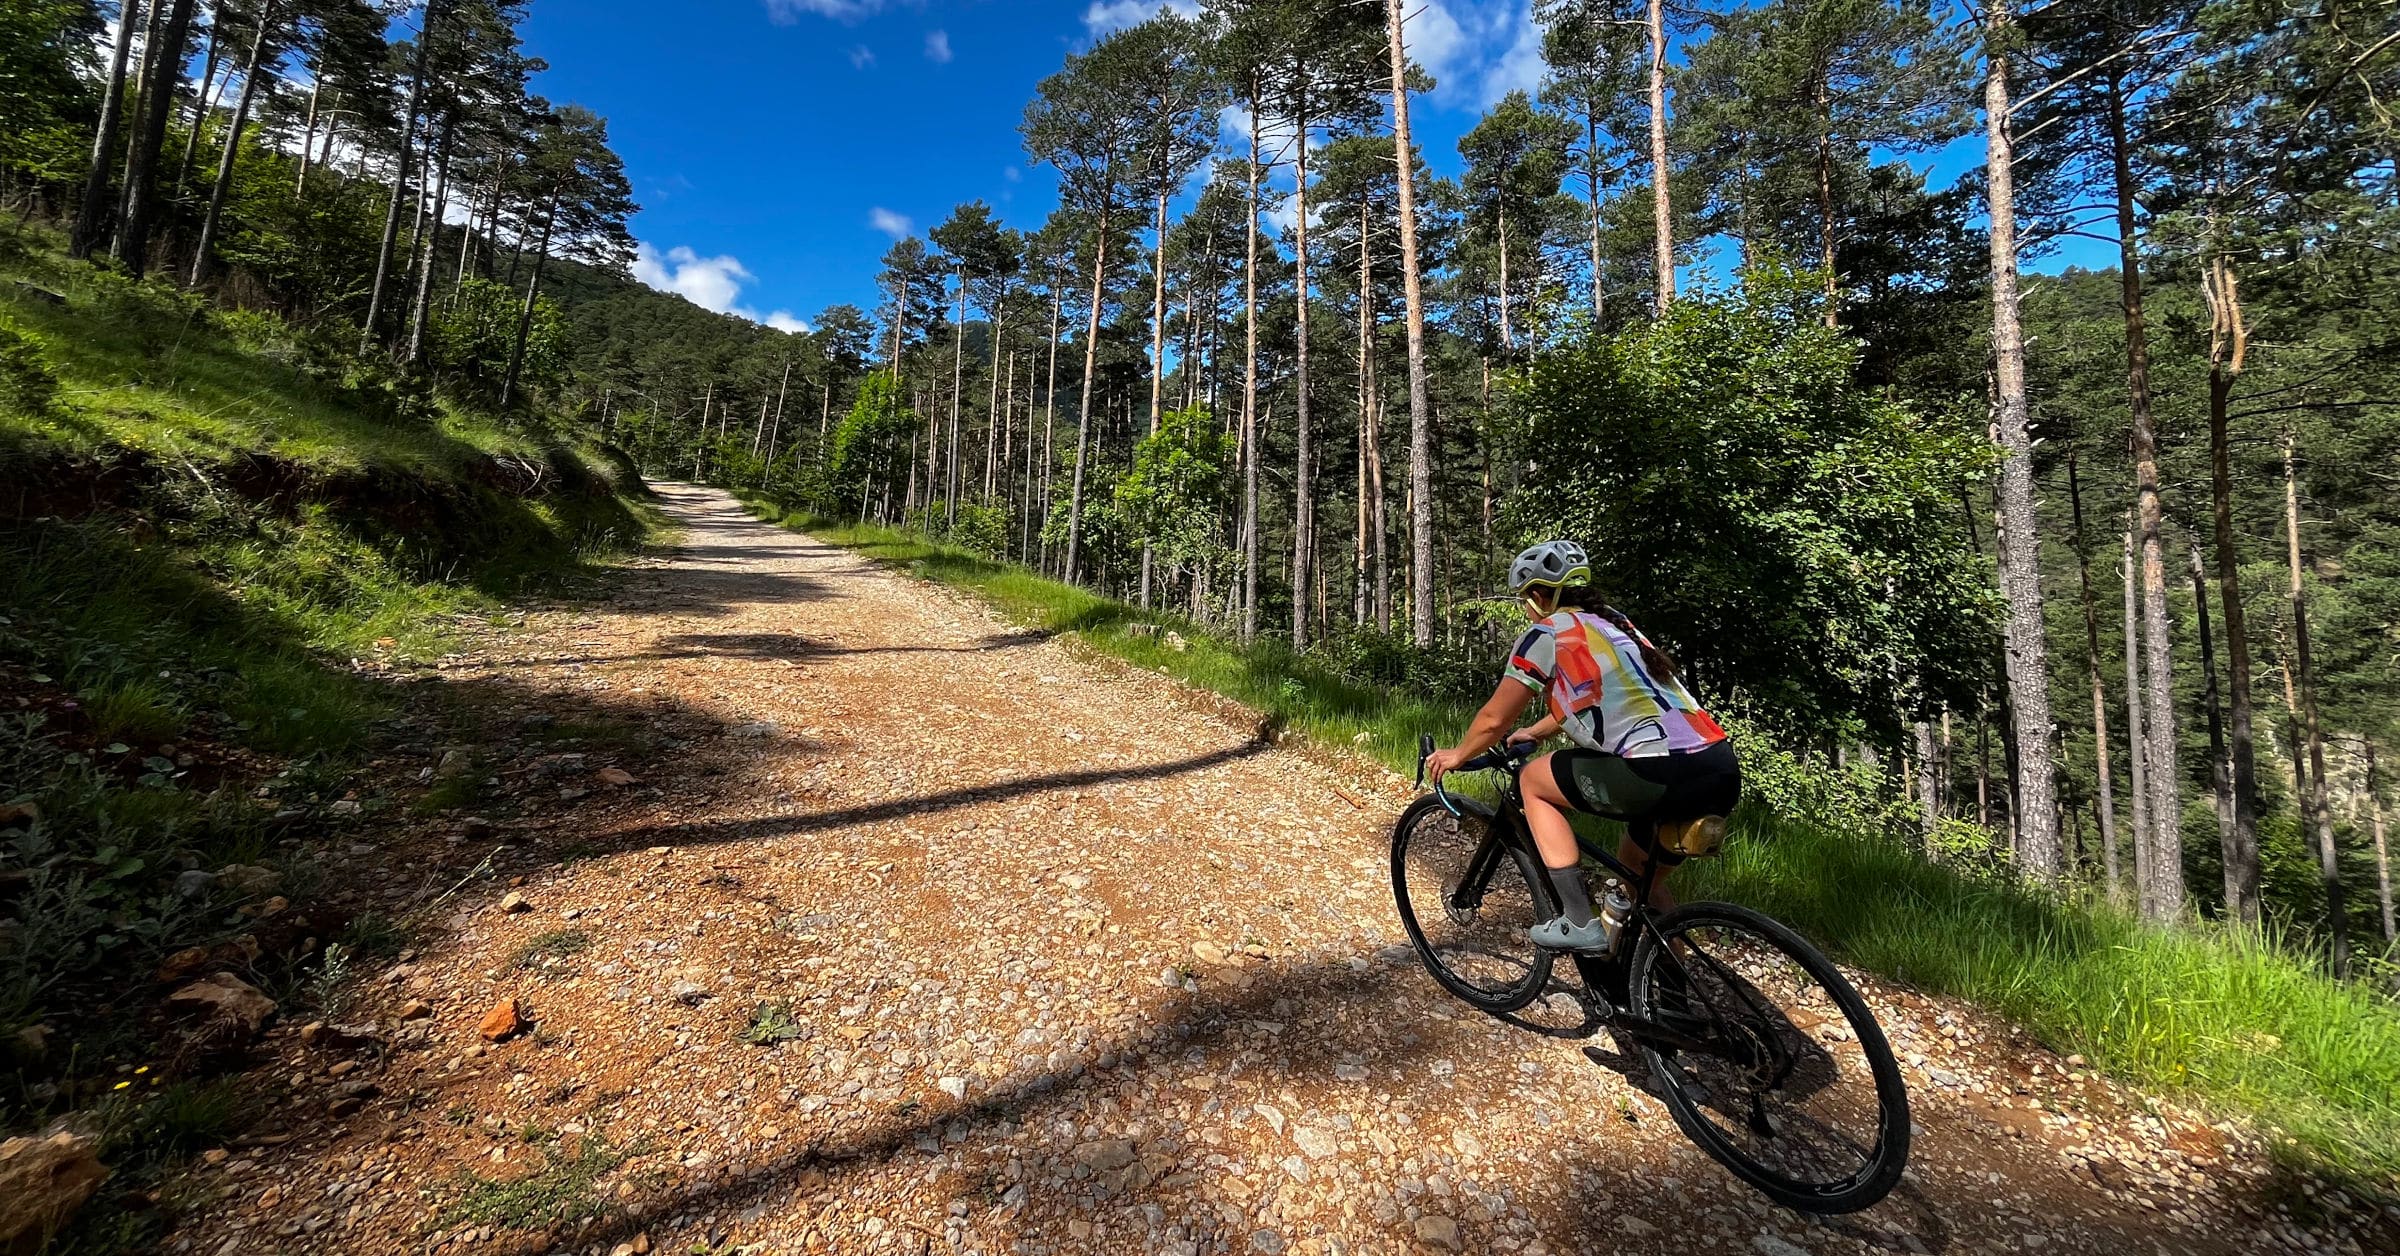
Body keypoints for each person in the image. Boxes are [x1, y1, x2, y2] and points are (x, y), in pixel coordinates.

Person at [1424, 540, 1741, 952]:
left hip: (1657, 770)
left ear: (1539, 595)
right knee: (1636, 876)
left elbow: (1493, 719)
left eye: (1525, 599)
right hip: (1717, 766)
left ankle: (1577, 920)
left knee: (1531, 781)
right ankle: (1669, 997)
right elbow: (1599, 696)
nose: (1526, 608)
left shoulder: (1547, 631)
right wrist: (1537, 733)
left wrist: (1458, 754)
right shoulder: (1616, 625)